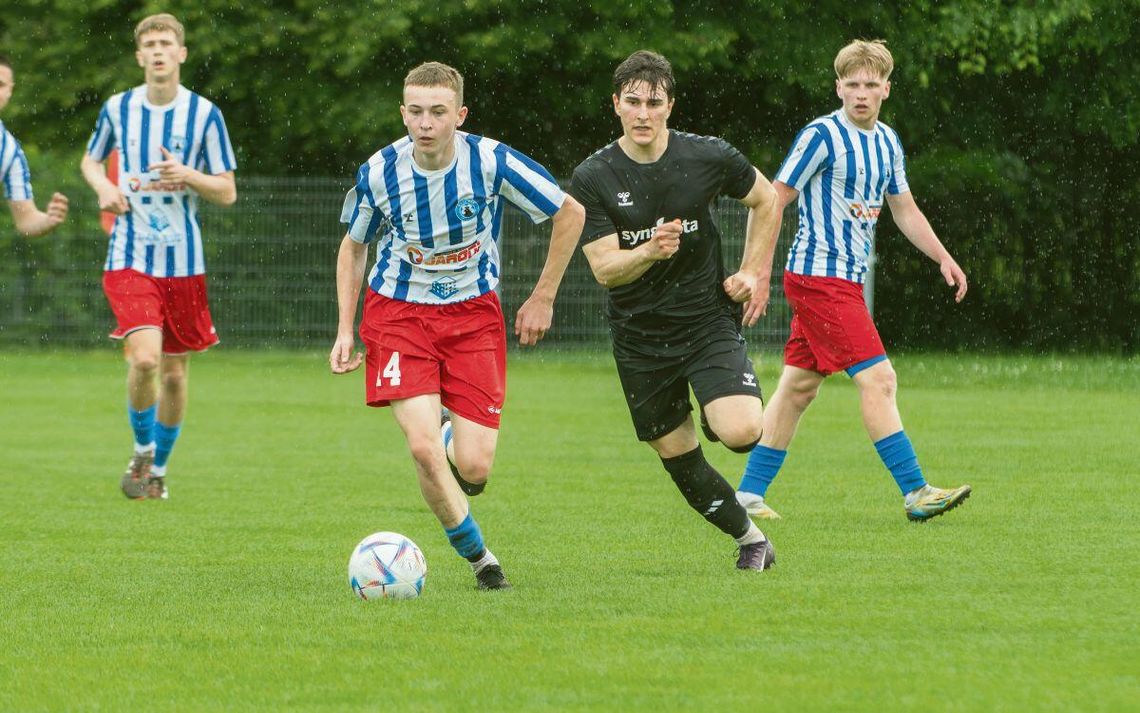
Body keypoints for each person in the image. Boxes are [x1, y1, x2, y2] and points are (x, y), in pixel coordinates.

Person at [330, 62, 585, 591]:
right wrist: (344, 328)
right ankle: (481, 561)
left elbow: (571, 212)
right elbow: (355, 246)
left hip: (473, 316)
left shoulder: (490, 162)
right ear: (403, 113)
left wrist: (543, 296)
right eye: (416, 112)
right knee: (422, 448)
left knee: (474, 469)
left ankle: (451, 428)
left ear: (460, 115)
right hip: (398, 314)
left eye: (438, 113)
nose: (425, 123)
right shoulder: (379, 171)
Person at [735, 39, 971, 522]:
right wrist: (756, 272)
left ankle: (747, 495)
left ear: (886, 89)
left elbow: (903, 208)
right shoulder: (820, 136)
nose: (860, 93)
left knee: (799, 387)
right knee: (880, 379)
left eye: (870, 85)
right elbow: (772, 200)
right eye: (852, 84)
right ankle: (915, 492)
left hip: (845, 281)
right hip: (818, 277)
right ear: (838, 87)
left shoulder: (888, 141)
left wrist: (942, 257)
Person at [569, 50, 781, 571]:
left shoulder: (707, 156)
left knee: (741, 432)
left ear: (670, 107)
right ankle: (751, 539)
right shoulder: (593, 176)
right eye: (633, 102)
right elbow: (603, 269)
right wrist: (647, 250)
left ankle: (716, 407)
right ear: (616, 105)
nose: (643, 113)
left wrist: (753, 272)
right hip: (639, 338)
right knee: (677, 455)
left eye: (654, 103)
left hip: (706, 320)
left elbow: (768, 198)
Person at [80, 14, 237, 501]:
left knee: (173, 372)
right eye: (149, 44)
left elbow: (227, 191)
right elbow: (89, 160)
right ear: (139, 56)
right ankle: (142, 449)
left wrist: (188, 174)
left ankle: (158, 471)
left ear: (181, 54)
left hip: (184, 263)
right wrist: (104, 185)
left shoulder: (205, 115)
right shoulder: (118, 108)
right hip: (129, 255)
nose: (158, 51)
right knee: (145, 358)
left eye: (166, 43)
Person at [0, 54, 69, 237]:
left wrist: (48, 220)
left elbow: (26, 220)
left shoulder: (9, 151)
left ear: (10, 90)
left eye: (0, 85)